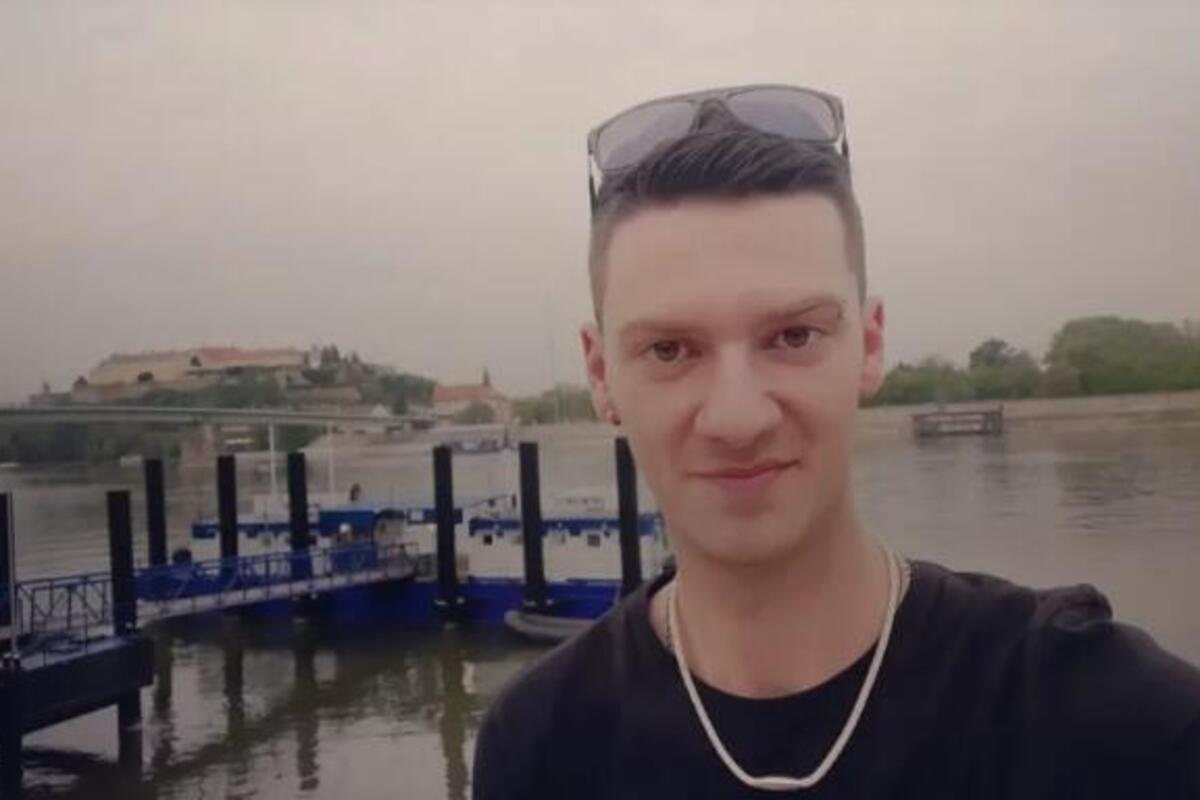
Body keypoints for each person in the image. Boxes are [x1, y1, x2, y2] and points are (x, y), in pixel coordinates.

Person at [472, 84, 1200, 798]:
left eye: (793, 336)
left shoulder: (1110, 723)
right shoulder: (540, 745)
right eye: (669, 350)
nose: (738, 418)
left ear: (870, 345)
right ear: (601, 374)